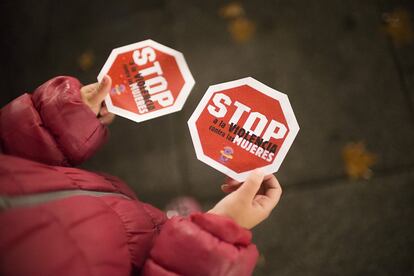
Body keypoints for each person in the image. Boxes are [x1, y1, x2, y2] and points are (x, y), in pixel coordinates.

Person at [0, 75, 282, 276]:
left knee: (144, 221)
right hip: (134, 259)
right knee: (153, 239)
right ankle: (186, 234)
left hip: (101, 206)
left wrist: (61, 119)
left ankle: (172, 228)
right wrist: (219, 232)